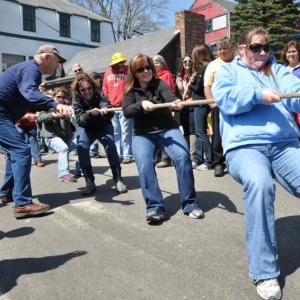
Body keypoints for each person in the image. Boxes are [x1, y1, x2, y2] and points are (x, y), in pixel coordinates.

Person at [212, 27, 300, 300]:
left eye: (266, 47)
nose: (262, 52)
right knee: (260, 185)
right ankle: (265, 272)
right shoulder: (227, 71)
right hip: (244, 146)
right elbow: (224, 98)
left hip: (285, 144)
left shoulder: (279, 71)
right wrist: (257, 95)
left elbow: (294, 93)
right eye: (255, 48)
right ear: (242, 49)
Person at [123, 53, 204, 223]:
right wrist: (141, 105)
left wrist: (175, 103)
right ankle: (154, 207)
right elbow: (127, 111)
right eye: (141, 69)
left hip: (167, 128)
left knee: (182, 156)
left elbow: (171, 97)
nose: (146, 71)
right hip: (142, 133)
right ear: (134, 72)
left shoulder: (160, 83)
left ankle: (189, 204)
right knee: (144, 164)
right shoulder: (130, 90)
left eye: (149, 67)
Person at [0, 44, 73, 218]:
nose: (58, 66)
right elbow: (29, 93)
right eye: (57, 61)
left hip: (5, 114)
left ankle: (6, 193)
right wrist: (54, 104)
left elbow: (28, 98)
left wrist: (50, 109)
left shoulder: (27, 70)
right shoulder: (31, 69)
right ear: (47, 57)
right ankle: (23, 203)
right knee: (21, 150)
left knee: (14, 152)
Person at [72, 73, 127, 195]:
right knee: (82, 148)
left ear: (93, 86)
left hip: (103, 126)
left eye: (89, 88)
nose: (87, 92)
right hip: (86, 128)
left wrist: (105, 109)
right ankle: (89, 182)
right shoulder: (76, 98)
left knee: (110, 145)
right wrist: (90, 113)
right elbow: (80, 119)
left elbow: (108, 109)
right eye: (83, 90)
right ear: (78, 90)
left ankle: (118, 179)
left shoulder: (99, 93)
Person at [204, 37, 234, 177]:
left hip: (237, 105)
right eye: (219, 49)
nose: (222, 51)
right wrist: (212, 103)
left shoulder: (239, 62)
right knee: (218, 136)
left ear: (231, 48)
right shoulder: (213, 65)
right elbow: (207, 86)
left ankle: (235, 162)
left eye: (224, 48)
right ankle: (219, 163)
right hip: (219, 106)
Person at [38, 87, 80, 183]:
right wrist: (52, 115)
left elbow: (71, 123)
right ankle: (63, 174)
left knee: (82, 143)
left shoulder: (66, 106)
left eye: (63, 97)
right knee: (63, 148)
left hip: (66, 136)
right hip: (51, 136)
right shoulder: (46, 105)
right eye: (58, 97)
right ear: (53, 97)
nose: (60, 99)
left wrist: (69, 116)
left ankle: (79, 168)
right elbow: (40, 117)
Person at [102, 52, 133, 164]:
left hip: (124, 106)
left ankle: (127, 155)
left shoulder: (128, 70)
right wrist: (106, 102)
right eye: (118, 62)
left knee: (126, 131)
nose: (120, 64)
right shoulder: (107, 72)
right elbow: (104, 88)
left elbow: (132, 85)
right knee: (115, 132)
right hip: (112, 107)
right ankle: (118, 154)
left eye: (122, 62)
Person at [189, 45, 214, 171]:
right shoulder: (206, 67)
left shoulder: (203, 68)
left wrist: (191, 83)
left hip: (201, 103)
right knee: (199, 133)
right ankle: (198, 159)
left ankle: (209, 161)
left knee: (201, 133)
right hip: (198, 103)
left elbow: (199, 88)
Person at [152, 54, 176, 168]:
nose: (155, 64)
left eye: (157, 62)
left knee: (165, 133)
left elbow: (170, 91)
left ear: (162, 64)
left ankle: (166, 159)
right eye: (154, 62)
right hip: (154, 109)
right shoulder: (151, 76)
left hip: (164, 107)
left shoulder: (167, 75)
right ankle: (156, 157)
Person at [175, 55, 195, 159]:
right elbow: (178, 92)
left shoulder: (194, 75)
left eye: (189, 61)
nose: (187, 63)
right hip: (182, 106)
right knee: (185, 129)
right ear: (182, 64)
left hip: (192, 105)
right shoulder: (179, 77)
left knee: (192, 130)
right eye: (185, 61)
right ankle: (186, 153)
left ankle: (192, 155)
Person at [280, 40, 300, 126]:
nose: (291, 54)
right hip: (285, 110)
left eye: (294, 51)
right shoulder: (280, 70)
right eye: (289, 52)